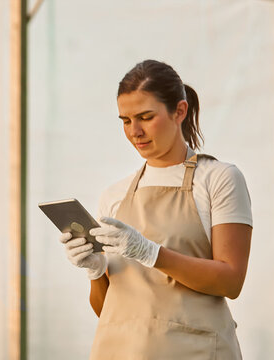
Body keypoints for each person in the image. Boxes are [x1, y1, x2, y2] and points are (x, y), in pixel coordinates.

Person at [59, 59, 252, 359]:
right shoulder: (114, 196)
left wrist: (151, 253)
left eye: (145, 117)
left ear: (179, 111)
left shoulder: (218, 178)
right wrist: (95, 271)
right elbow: (111, 312)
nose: (135, 131)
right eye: (125, 120)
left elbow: (231, 280)